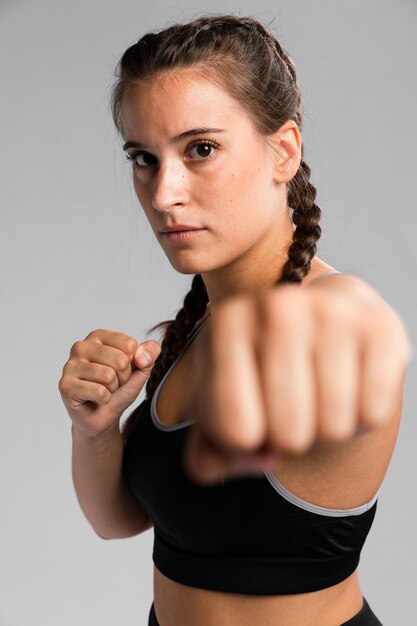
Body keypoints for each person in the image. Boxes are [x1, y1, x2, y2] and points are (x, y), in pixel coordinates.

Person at [58, 14, 411, 626]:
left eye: (201, 149)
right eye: (144, 157)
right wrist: (94, 430)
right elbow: (118, 521)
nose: (163, 192)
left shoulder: (338, 316)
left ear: (284, 152)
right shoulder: (195, 327)